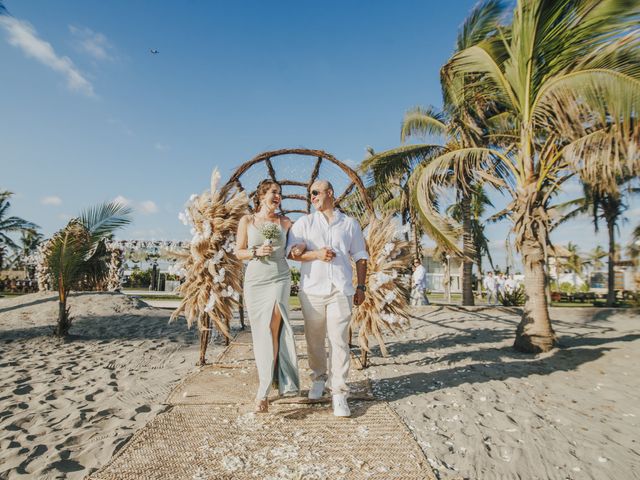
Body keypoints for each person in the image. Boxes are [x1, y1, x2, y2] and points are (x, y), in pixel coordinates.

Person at [288, 180, 368, 418]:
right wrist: (315, 254)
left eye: (315, 193)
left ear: (329, 193)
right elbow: (292, 253)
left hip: (341, 289)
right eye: (310, 194)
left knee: (339, 341)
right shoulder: (304, 223)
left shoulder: (350, 224)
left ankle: (340, 393)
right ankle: (318, 378)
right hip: (312, 290)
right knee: (314, 339)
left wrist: (361, 286)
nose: (311, 197)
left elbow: (361, 256)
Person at [235, 180, 305, 413]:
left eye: (280, 194)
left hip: (279, 277)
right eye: (274, 192)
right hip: (255, 280)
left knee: (272, 328)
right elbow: (238, 252)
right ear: (262, 195)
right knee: (260, 333)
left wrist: (299, 248)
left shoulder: (286, 222)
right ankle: (271, 379)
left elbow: (298, 243)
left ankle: (263, 391)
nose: (278, 197)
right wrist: (256, 251)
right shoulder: (247, 221)